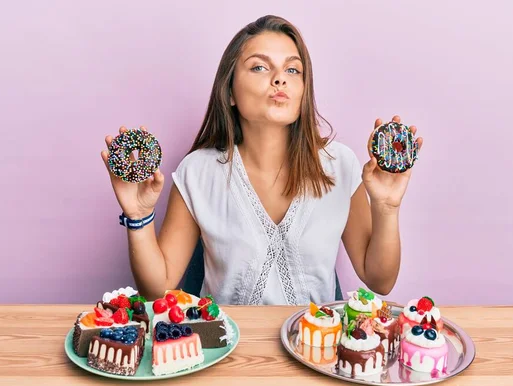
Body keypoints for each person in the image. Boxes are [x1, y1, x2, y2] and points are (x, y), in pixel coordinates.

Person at [101, 15, 423, 305]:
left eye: (292, 69)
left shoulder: (340, 165)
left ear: (302, 89)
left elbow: (380, 280)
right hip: (227, 355)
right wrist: (139, 216)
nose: (279, 79)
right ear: (229, 91)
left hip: (317, 352)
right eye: (259, 67)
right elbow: (157, 288)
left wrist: (386, 207)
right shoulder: (198, 172)